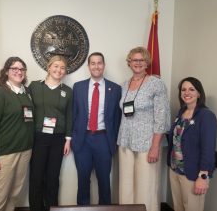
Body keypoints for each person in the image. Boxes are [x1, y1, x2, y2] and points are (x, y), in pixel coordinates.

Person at [117, 46, 170, 211]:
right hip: (125, 141)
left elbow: (162, 117)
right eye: (134, 60)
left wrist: (155, 147)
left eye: (141, 60)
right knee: (126, 186)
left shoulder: (156, 84)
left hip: (147, 143)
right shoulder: (125, 85)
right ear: (129, 62)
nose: (138, 63)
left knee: (146, 187)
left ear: (147, 62)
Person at [71, 52, 122, 205]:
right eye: (93, 63)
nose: (96, 66)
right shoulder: (78, 87)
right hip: (83, 139)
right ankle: (82, 208)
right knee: (83, 180)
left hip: (104, 139)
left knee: (104, 181)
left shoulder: (116, 88)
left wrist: (114, 141)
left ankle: (105, 208)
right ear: (88, 66)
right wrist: (72, 138)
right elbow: (73, 114)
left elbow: (118, 118)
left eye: (99, 63)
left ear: (104, 66)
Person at [0, 57, 34, 211]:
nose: (19, 72)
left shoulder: (26, 92)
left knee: (14, 195)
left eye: (22, 69)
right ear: (6, 71)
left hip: (25, 150)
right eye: (15, 69)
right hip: (4, 154)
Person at [28, 55, 72, 211]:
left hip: (58, 139)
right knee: (36, 177)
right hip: (38, 138)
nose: (58, 70)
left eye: (62, 68)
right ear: (49, 67)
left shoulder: (67, 91)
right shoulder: (34, 86)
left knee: (53, 178)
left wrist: (68, 140)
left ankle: (51, 208)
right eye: (56, 66)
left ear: (65, 72)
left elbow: (69, 115)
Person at [167, 77, 217, 211]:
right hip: (175, 170)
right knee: (178, 208)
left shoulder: (206, 116)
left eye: (191, 89)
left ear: (199, 93)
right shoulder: (181, 113)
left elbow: (208, 148)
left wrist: (203, 177)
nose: (186, 92)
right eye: (183, 90)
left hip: (193, 174)